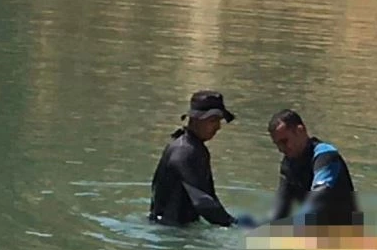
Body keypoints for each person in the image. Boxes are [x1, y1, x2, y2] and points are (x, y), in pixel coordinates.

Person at [148, 90, 256, 228]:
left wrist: (231, 220)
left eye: (219, 120)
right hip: (169, 230)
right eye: (213, 120)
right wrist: (232, 224)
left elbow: (209, 196)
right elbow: (202, 201)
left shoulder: (195, 148)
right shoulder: (185, 151)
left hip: (178, 228)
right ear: (194, 119)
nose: (218, 127)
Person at [267, 109, 361, 229]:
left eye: (284, 141)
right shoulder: (288, 166)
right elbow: (279, 214)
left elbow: (319, 197)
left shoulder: (326, 155)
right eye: (277, 144)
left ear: (300, 131)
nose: (281, 148)